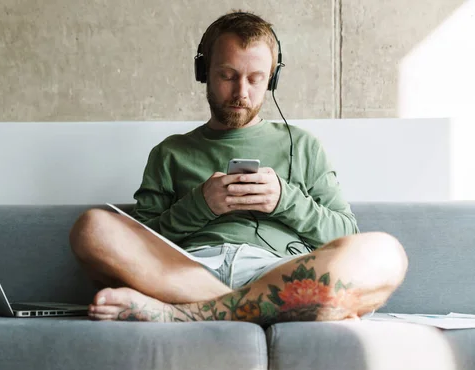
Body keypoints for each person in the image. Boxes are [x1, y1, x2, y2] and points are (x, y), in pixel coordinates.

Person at [69, 11, 408, 324]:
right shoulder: (170, 152)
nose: (241, 93)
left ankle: (182, 316)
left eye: (256, 79)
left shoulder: (303, 146)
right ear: (204, 73)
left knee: (385, 254)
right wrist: (200, 205)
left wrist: (284, 201)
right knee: (92, 227)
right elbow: (142, 241)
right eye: (227, 76)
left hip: (278, 272)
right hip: (187, 273)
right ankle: (279, 307)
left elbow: (345, 233)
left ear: (272, 80)